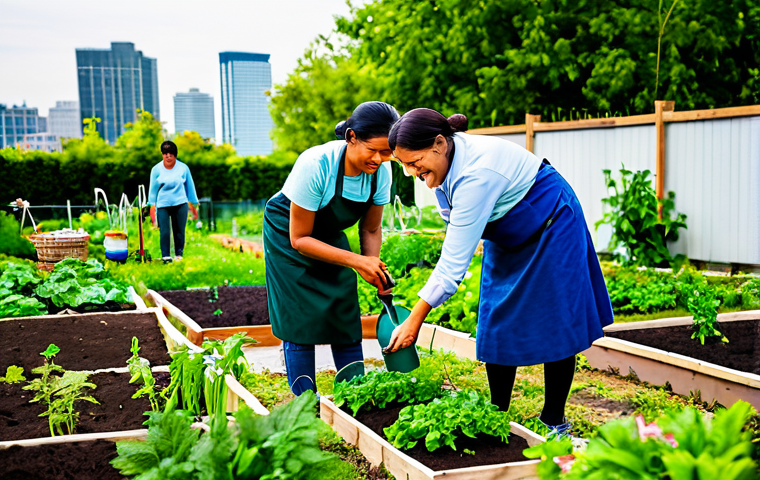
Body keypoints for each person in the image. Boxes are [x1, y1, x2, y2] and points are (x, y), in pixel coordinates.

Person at [385, 108, 613, 437]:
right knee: (496, 319)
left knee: (558, 321)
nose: (409, 173)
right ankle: (495, 416)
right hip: (507, 228)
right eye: (403, 164)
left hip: (551, 218)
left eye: (413, 162)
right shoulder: (440, 166)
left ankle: (554, 421)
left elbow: (452, 264)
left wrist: (415, 319)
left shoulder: (479, 173)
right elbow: (455, 229)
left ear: (438, 144)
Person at [263, 101, 400, 395]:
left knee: (343, 308)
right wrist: (356, 260)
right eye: (372, 149)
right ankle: (304, 402)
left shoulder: (382, 173)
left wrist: (371, 265)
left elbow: (371, 227)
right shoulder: (317, 164)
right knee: (299, 314)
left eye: (387, 152)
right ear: (351, 138)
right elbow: (300, 239)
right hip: (288, 230)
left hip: (328, 230)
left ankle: (356, 394)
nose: (378, 159)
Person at [148, 140, 199, 263]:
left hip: (180, 203)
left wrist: (193, 202)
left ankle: (178, 255)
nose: (168, 156)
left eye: (171, 153)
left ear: (175, 155)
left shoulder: (183, 168)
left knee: (179, 231)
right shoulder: (156, 169)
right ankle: (166, 256)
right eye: (165, 153)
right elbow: (153, 190)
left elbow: (190, 186)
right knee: (164, 231)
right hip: (163, 204)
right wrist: (150, 204)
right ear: (162, 155)